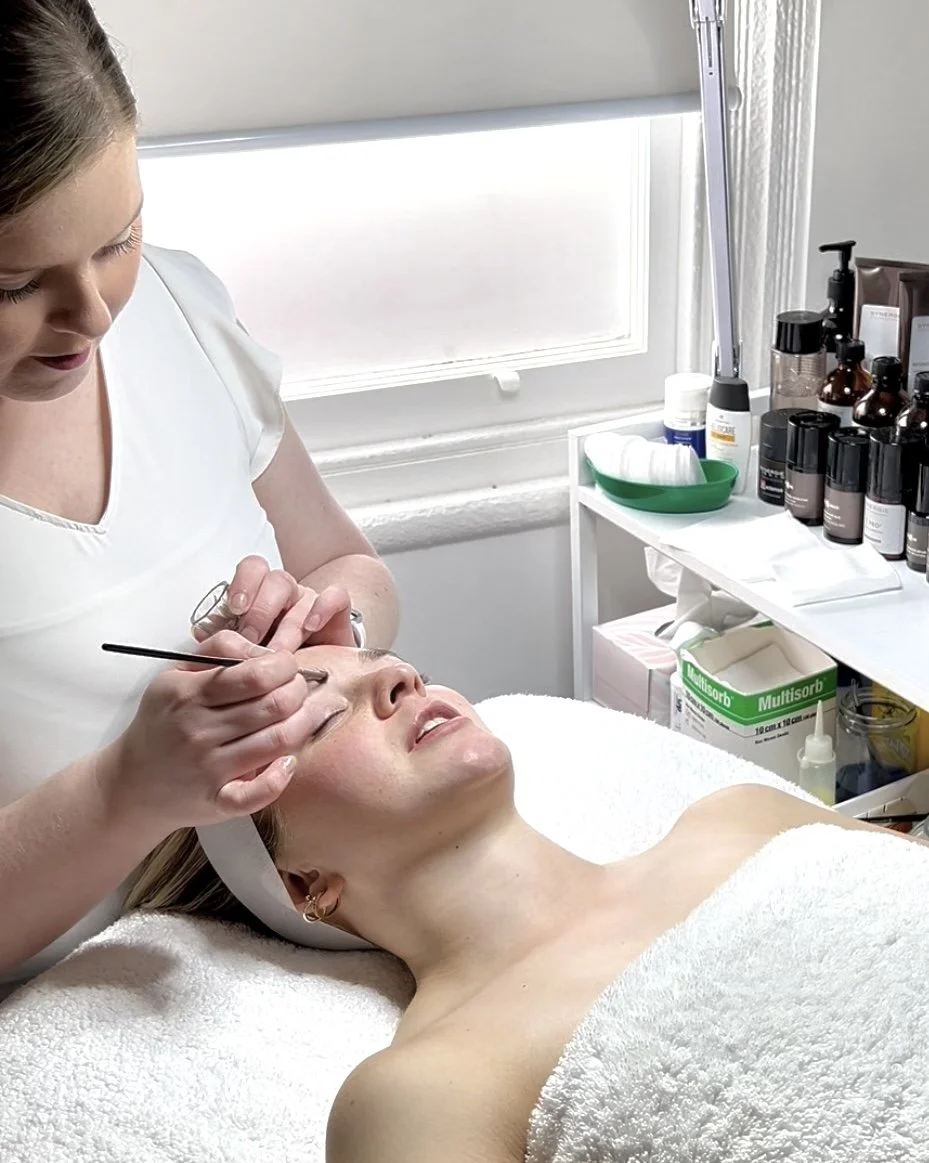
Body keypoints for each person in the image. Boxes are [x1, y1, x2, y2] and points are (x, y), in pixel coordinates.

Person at [127, 639, 929, 1163]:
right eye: (317, 717)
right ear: (304, 883)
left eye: (387, 659)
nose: (396, 676)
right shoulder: (424, 1091)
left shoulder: (741, 815)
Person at [0, 0, 398, 999]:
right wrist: (125, 789)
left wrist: (328, 623)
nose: (90, 313)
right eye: (12, 282)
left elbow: (347, 567)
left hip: (261, 976)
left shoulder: (178, 308)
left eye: (115, 239)